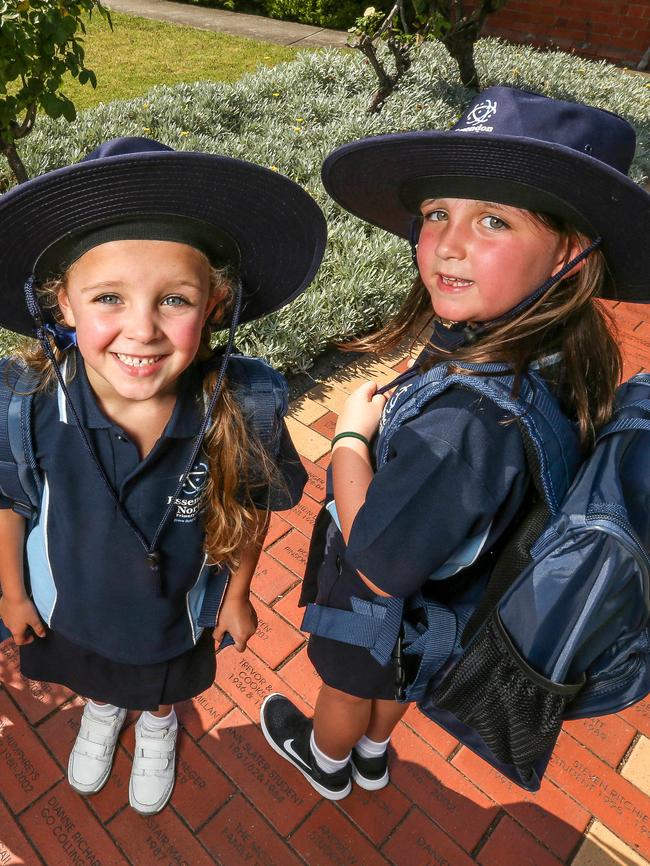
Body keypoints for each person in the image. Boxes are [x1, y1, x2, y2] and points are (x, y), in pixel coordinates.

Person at [259, 86, 650, 800]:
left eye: (493, 220)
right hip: (445, 610)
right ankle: (376, 753)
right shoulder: (563, 346)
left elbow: (373, 558)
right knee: (393, 677)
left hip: (386, 596)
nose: (448, 242)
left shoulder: (462, 432)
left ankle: (329, 758)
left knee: (349, 679)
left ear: (569, 252)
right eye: (437, 213)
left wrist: (349, 438)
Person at [0, 137, 326, 813]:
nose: (142, 330)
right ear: (63, 304)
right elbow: (10, 498)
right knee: (98, 668)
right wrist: (11, 592)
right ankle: (102, 707)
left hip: (176, 608)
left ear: (214, 304)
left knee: (165, 678)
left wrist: (237, 592)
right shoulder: (26, 401)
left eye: (174, 299)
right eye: (109, 297)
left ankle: (156, 722)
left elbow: (252, 505)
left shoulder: (244, 403)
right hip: (75, 601)